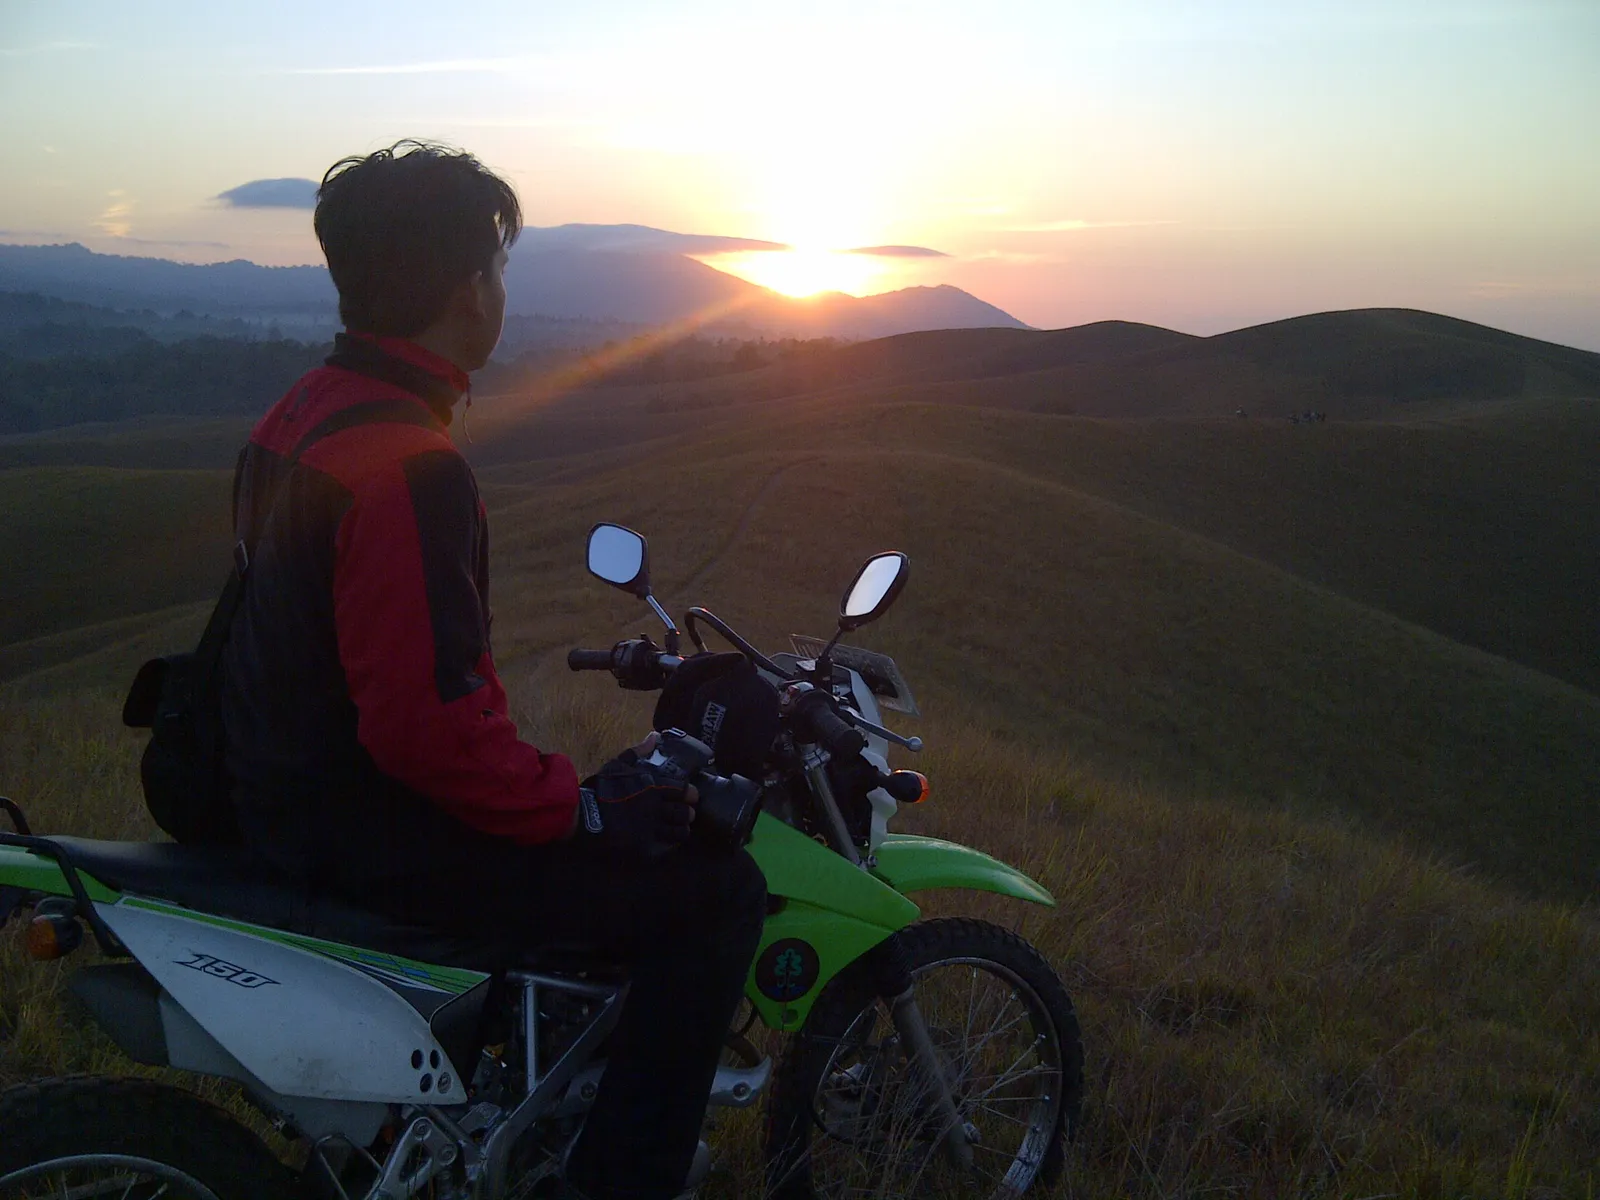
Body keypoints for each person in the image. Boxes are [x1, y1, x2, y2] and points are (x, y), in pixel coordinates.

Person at [219, 140, 766, 1200]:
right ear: (471, 290)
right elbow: (423, 730)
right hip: (369, 828)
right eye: (500, 270)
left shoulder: (297, 416)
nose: (501, 291)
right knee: (714, 894)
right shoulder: (412, 468)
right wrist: (584, 808)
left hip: (278, 799)